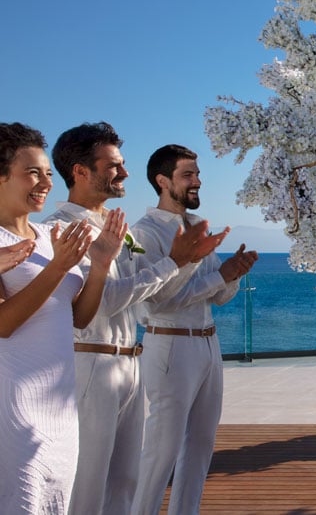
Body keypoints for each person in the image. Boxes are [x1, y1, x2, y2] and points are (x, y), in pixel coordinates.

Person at [46, 123, 226, 515]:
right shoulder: (62, 229)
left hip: (130, 360)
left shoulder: (117, 228)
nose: (125, 173)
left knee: (124, 484)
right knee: (88, 484)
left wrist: (185, 265)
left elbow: (141, 298)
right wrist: (175, 263)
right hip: (91, 361)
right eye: (113, 165)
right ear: (79, 171)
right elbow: (105, 302)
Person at [0, 122, 125, 513]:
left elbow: (77, 317)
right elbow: (3, 325)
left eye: (48, 174)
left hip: (61, 411)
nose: (45, 183)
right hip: (17, 409)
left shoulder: (50, 233)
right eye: (32, 173)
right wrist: (58, 268)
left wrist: (101, 265)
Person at [130, 144, 258, 515]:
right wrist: (218, 274)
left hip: (207, 345)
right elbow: (158, 302)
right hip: (170, 347)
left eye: (197, 174)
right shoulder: (145, 233)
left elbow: (216, 298)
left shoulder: (195, 227)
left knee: (201, 445)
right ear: (162, 180)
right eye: (188, 174)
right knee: (161, 451)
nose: (197, 181)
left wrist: (233, 273)